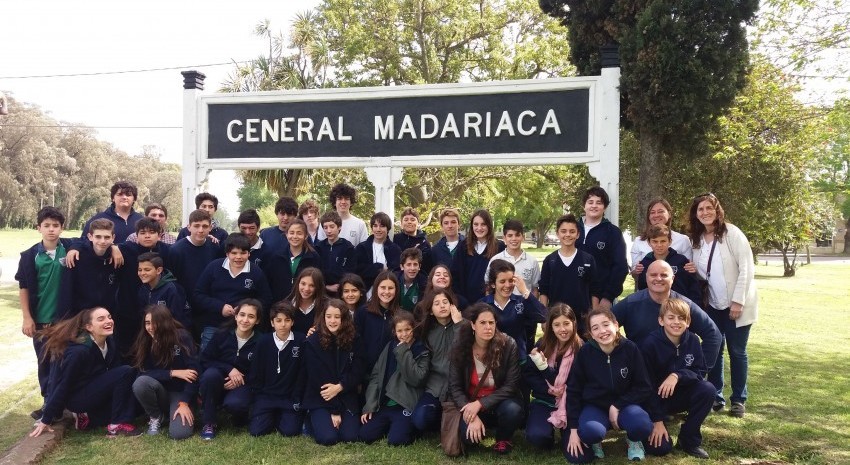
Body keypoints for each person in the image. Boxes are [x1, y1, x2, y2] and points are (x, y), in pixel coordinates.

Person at [685, 193, 757, 417]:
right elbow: (705, 271)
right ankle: (716, 395)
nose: (705, 212)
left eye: (709, 208)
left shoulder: (731, 233)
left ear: (717, 210)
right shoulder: (696, 240)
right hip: (712, 305)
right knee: (715, 349)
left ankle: (738, 399)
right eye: (700, 209)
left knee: (737, 352)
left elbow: (746, 268)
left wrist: (737, 301)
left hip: (736, 305)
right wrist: (692, 271)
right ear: (695, 214)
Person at [565, 308, 669, 463]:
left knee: (642, 426)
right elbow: (574, 390)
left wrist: (618, 405)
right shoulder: (585, 353)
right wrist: (573, 429)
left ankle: (633, 440)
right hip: (595, 406)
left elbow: (644, 387)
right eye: (595, 328)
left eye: (606, 324)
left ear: (616, 325)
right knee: (589, 432)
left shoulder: (630, 349)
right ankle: (595, 441)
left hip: (626, 405)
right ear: (591, 334)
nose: (602, 331)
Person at [29, 307, 138, 438]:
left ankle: (88, 418)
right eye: (101, 319)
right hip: (78, 397)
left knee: (136, 407)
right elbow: (62, 385)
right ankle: (116, 426)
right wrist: (46, 418)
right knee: (125, 371)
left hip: (94, 390)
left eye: (109, 317)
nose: (108, 321)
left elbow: (114, 378)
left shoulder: (109, 341)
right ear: (89, 327)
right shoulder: (79, 352)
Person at [17, 206, 75, 420]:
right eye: (47, 226)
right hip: (41, 320)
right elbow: (23, 287)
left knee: (62, 361)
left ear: (62, 228)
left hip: (64, 320)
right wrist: (27, 317)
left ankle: (61, 403)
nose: (51, 230)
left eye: (56, 226)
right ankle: (47, 402)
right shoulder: (29, 256)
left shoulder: (69, 247)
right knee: (44, 361)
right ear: (38, 228)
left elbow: (89, 241)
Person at [613, 260, 721, 370]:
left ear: (672, 279)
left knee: (707, 388)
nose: (658, 278)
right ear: (646, 277)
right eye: (653, 275)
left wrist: (698, 370)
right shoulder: (630, 303)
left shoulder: (684, 305)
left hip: (676, 373)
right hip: (641, 372)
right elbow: (603, 327)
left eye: (664, 275)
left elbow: (713, 334)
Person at [640, 298, 715, 459]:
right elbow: (645, 386)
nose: (676, 322)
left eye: (681, 318)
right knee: (660, 449)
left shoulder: (693, 340)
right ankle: (651, 429)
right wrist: (657, 420)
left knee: (708, 389)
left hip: (681, 394)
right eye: (671, 317)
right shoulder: (649, 344)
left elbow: (699, 371)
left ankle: (688, 440)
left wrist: (677, 375)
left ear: (688, 322)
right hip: (655, 399)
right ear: (661, 320)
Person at [447, 303, 524, 455]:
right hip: (471, 402)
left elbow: (511, 385)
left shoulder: (509, 345)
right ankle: (480, 426)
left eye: (491, 322)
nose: (488, 327)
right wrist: (471, 413)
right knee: (469, 440)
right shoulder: (460, 346)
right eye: (482, 322)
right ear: (473, 325)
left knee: (513, 410)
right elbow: (454, 387)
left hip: (500, 402)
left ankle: (503, 438)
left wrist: (481, 404)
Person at [360, 312, 430, 446]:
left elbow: (416, 379)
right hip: (386, 404)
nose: (404, 334)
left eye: (408, 329)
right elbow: (376, 376)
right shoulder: (390, 346)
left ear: (414, 329)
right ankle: (392, 426)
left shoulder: (422, 351)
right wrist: (370, 405)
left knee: (396, 441)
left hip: (405, 404)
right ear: (394, 332)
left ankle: (404, 427)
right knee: (365, 435)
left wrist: (404, 351)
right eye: (400, 331)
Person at [193, 233, 272, 351]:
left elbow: (266, 299)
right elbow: (198, 294)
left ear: (249, 253)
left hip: (244, 327)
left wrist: (245, 309)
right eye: (234, 253)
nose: (238, 257)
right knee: (207, 361)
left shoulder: (256, 272)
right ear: (227, 254)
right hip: (214, 325)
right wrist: (220, 307)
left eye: (243, 253)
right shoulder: (214, 267)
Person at [131, 304, 200, 439]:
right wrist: (172, 373)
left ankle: (180, 411)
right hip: (159, 391)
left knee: (180, 434)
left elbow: (194, 373)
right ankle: (156, 417)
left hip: (181, 393)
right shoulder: (145, 340)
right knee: (141, 382)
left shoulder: (182, 337)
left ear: (165, 322)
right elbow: (142, 373)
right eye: (147, 323)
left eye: (155, 323)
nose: (151, 327)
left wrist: (185, 402)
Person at [302, 300, 365, 445]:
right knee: (328, 438)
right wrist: (334, 410)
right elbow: (317, 377)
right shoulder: (313, 341)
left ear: (344, 318)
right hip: (321, 396)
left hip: (346, 393)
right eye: (329, 316)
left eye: (337, 317)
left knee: (349, 437)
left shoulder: (355, 339)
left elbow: (358, 370)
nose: (332, 321)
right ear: (323, 317)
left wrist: (340, 386)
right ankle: (310, 419)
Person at [198, 299, 262, 440]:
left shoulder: (261, 341)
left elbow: (260, 372)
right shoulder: (222, 334)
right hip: (219, 380)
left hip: (243, 384)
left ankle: (239, 414)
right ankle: (209, 422)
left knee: (236, 405)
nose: (245, 320)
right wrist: (229, 369)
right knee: (210, 375)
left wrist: (241, 379)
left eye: (251, 317)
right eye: (242, 315)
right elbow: (205, 360)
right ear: (236, 316)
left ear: (257, 321)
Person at [525, 303, 583, 450]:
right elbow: (529, 374)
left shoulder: (582, 349)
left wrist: (544, 369)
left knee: (572, 444)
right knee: (538, 437)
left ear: (574, 323)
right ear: (551, 326)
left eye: (566, 324)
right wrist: (547, 389)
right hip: (545, 399)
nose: (562, 329)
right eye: (557, 324)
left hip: (570, 402)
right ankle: (547, 433)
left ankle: (565, 431)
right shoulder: (542, 345)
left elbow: (577, 381)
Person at [248, 301, 306, 437]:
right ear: (272, 323)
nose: (283, 324)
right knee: (257, 431)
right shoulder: (263, 341)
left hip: (289, 396)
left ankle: (283, 414)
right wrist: (258, 394)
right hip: (266, 395)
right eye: (278, 320)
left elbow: (303, 372)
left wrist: (297, 396)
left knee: (290, 431)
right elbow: (256, 370)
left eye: (287, 320)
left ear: (292, 322)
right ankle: (270, 414)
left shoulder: (301, 340)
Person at [410, 289, 464, 432]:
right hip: (434, 387)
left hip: (459, 387)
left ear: (452, 306)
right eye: (437, 303)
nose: (442, 306)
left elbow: (464, 350)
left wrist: (458, 324)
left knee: (465, 430)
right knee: (420, 420)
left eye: (445, 302)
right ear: (431, 311)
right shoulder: (427, 331)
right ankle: (440, 420)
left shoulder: (464, 325)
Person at [539, 214, 601, 338]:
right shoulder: (550, 261)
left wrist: (594, 316)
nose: (568, 234)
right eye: (563, 231)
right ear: (557, 233)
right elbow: (544, 291)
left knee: (582, 354)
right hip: (557, 320)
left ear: (578, 234)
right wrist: (544, 318)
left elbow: (595, 291)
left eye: (572, 231)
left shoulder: (588, 259)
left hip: (582, 320)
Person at [166, 209, 224, 339]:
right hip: (185, 307)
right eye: (196, 226)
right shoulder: (176, 250)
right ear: (189, 227)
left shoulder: (214, 247)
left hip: (208, 307)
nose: (200, 230)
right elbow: (172, 281)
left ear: (210, 227)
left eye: (204, 226)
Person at [480, 259, 547, 358]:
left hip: (518, 359)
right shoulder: (483, 304)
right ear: (493, 284)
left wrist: (525, 291)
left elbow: (543, 316)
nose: (507, 285)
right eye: (502, 281)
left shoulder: (521, 302)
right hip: (491, 359)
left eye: (511, 280)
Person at [576, 186, 628, 310]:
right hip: (574, 294)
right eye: (590, 202)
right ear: (584, 205)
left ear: (604, 207)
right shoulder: (573, 229)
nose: (594, 206)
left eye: (599, 203)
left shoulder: (612, 232)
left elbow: (620, 267)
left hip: (601, 298)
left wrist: (607, 297)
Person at [635, 225, 701, 303]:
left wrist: (692, 309)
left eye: (663, 241)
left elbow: (693, 287)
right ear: (649, 243)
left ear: (670, 241)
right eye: (655, 241)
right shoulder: (645, 263)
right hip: (654, 308)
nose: (659, 245)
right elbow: (642, 289)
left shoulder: (681, 261)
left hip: (679, 308)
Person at [262, 218, 320, 303]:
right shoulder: (276, 257)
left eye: (299, 233)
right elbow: (268, 284)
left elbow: (318, 284)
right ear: (286, 235)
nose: (295, 236)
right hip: (280, 306)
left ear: (306, 236)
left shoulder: (313, 257)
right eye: (291, 233)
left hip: (304, 305)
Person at [69, 218, 119, 316]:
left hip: (107, 315)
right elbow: (67, 291)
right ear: (90, 237)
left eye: (107, 237)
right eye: (98, 237)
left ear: (113, 238)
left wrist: (115, 247)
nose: (102, 241)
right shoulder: (77, 258)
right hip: (81, 315)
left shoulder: (117, 258)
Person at [354, 270, 402, 370]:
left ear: (396, 290)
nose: (387, 292)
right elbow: (356, 343)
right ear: (376, 289)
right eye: (383, 287)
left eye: (391, 288)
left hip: (390, 371)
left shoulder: (400, 315)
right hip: (366, 371)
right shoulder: (363, 312)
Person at [630, 198, 693, 273]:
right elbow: (635, 273)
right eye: (652, 212)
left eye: (660, 211)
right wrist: (635, 270)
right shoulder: (639, 241)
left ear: (669, 214)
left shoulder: (683, 240)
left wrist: (691, 268)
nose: (656, 215)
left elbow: (689, 270)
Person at [456, 209, 505, 304]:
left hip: (491, 301)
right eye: (476, 224)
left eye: (483, 224)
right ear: (472, 226)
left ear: (489, 226)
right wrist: (462, 300)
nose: (479, 228)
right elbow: (456, 274)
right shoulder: (464, 246)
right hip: (467, 302)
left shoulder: (499, 246)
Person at [484, 219, 540, 297]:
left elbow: (534, 289)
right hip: (501, 307)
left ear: (523, 237)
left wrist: (532, 306)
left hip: (525, 307)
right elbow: (488, 286)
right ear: (504, 238)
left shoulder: (532, 261)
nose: (514, 239)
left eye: (517, 235)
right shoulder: (495, 260)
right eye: (510, 235)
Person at [80, 181, 144, 243]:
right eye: (120, 194)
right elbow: (83, 241)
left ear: (134, 199)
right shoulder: (98, 219)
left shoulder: (141, 220)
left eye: (128, 195)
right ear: (113, 198)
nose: (124, 197)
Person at [137, 252, 188, 327]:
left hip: (171, 334)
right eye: (140, 270)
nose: (142, 273)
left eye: (147, 270)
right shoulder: (143, 289)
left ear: (159, 270)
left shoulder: (172, 289)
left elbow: (178, 319)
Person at [355, 212, 402, 289]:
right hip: (365, 291)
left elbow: (396, 272)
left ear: (388, 229)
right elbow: (358, 270)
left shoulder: (395, 249)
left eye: (382, 226)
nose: (378, 229)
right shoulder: (362, 248)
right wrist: (380, 267)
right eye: (375, 226)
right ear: (372, 228)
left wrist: (371, 270)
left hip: (387, 291)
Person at [315, 211, 357, 295]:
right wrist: (326, 287)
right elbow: (315, 271)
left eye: (332, 227)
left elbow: (351, 271)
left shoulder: (348, 247)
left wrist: (341, 286)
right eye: (325, 227)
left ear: (339, 227)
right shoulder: (318, 248)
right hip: (322, 292)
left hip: (342, 292)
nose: (329, 231)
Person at [430, 208, 465, 288]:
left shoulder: (468, 246)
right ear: (442, 226)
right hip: (443, 294)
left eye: (453, 222)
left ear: (458, 224)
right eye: (446, 223)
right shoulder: (436, 250)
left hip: (465, 294)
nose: (450, 226)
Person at [288, 267, 328, 335]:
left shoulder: (327, 306)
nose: (306, 289)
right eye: (303, 284)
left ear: (318, 287)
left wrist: (317, 335)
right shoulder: (286, 305)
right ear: (298, 283)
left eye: (312, 285)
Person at [393, 207, 432, 272]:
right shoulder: (395, 240)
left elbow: (428, 266)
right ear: (401, 224)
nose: (409, 222)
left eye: (412, 219)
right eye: (406, 220)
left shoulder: (424, 243)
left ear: (418, 223)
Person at [395, 247, 428, 311]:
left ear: (419, 267)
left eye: (415, 264)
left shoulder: (425, 283)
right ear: (402, 267)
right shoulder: (393, 280)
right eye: (409, 264)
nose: (412, 268)